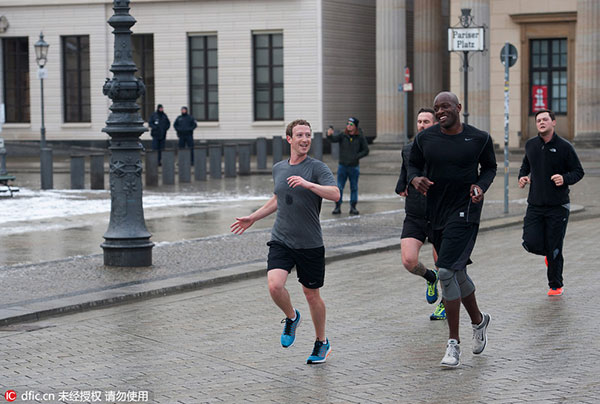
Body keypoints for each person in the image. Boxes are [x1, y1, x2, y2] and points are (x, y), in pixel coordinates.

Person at [231, 119, 340, 364]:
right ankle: (292, 317)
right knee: (274, 285)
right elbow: (278, 198)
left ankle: (321, 342)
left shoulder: (317, 168)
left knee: (312, 294)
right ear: (289, 139)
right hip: (281, 238)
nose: (305, 139)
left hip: (310, 242)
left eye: (308, 135)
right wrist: (253, 217)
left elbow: (335, 194)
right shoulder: (279, 168)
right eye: (300, 135)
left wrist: (308, 184)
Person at [408, 92, 497, 368]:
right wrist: (415, 179)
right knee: (457, 272)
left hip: (466, 211)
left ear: (459, 107)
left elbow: (490, 168)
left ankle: (453, 344)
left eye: (445, 107)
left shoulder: (479, 138)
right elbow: (411, 164)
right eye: (437, 109)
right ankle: (479, 321)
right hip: (435, 212)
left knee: (445, 271)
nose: (440, 112)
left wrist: (480, 186)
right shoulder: (425, 138)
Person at [518, 109, 584, 296]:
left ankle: (555, 285)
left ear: (553, 122)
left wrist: (564, 178)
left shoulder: (565, 147)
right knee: (529, 242)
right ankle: (549, 255)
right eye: (538, 120)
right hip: (535, 204)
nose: (541, 122)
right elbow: (525, 166)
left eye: (545, 119)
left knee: (555, 247)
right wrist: (522, 177)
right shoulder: (531, 145)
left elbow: (578, 172)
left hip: (558, 206)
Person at [395, 108, 445, 321]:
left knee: (444, 264)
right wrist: (401, 187)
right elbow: (404, 174)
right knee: (408, 260)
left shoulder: (445, 149)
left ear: (434, 124)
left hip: (439, 213)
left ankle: (444, 304)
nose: (422, 125)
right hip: (414, 214)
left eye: (426, 121)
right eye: (419, 121)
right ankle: (429, 277)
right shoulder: (407, 150)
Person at [326, 117, 369, 215]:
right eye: (347, 124)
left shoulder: (360, 137)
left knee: (354, 187)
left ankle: (353, 207)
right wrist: (329, 135)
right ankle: (337, 207)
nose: (348, 126)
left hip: (354, 167)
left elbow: (366, 150)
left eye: (351, 124)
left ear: (355, 127)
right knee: (339, 187)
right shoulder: (343, 135)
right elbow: (333, 139)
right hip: (343, 166)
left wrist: (356, 156)